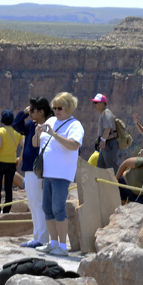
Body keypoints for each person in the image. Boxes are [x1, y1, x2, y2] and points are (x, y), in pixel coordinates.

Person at [35, 92, 84, 257]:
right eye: (54, 108)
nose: (56, 111)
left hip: (62, 174)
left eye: (60, 108)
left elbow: (74, 145)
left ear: (68, 108)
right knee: (47, 208)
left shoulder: (75, 125)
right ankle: (53, 242)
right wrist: (36, 133)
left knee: (58, 208)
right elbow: (37, 143)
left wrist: (54, 135)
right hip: (48, 173)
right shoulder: (50, 121)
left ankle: (63, 246)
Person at [13, 97, 53, 248]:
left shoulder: (46, 126)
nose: (30, 112)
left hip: (39, 170)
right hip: (29, 168)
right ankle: (37, 236)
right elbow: (16, 125)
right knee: (32, 203)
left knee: (39, 203)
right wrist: (23, 113)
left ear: (41, 112)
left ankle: (42, 238)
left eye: (33, 110)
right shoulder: (30, 125)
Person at [0, 109, 22, 215]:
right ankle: (6, 211)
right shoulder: (18, 132)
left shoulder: (0, 130)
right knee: (8, 188)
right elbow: (24, 146)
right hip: (12, 162)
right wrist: (19, 158)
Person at [92, 93, 121, 171]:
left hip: (109, 144)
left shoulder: (106, 113)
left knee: (111, 167)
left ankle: (120, 182)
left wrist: (103, 140)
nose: (94, 104)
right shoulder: (103, 113)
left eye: (96, 102)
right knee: (101, 166)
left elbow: (108, 127)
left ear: (102, 103)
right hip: (106, 144)